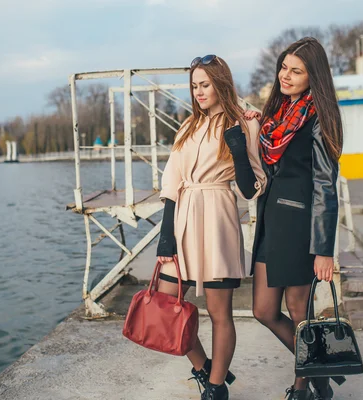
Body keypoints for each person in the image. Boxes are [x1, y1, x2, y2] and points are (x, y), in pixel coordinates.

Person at [156, 54, 266, 400]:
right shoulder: (188, 125)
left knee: (220, 311)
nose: (199, 92)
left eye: (204, 84)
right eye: (194, 86)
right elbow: (172, 180)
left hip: (217, 215)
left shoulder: (243, 124)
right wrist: (165, 238)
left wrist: (237, 148)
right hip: (184, 215)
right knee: (164, 299)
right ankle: (204, 367)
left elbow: (252, 187)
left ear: (220, 84)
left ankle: (216, 389)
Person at [244, 37, 344, 400]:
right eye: (284, 67)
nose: (285, 76)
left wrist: (324, 249)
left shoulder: (319, 117)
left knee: (299, 309)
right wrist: (257, 126)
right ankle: (319, 373)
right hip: (272, 223)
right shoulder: (279, 115)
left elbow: (324, 185)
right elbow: (266, 164)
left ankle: (303, 387)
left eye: (296, 71)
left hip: (302, 226)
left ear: (312, 76)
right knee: (263, 309)